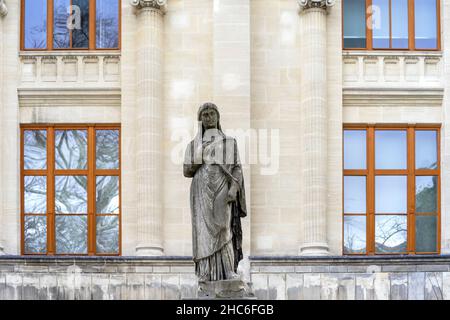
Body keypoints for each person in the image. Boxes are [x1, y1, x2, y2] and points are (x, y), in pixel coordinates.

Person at [183, 102, 247, 282]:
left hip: (222, 187)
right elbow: (187, 170)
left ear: (218, 117)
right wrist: (201, 150)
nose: (209, 117)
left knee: (224, 228)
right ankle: (205, 273)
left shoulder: (229, 142)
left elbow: (237, 169)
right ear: (200, 120)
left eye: (212, 114)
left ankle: (228, 271)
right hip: (201, 189)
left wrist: (234, 189)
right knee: (202, 231)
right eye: (205, 115)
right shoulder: (193, 145)